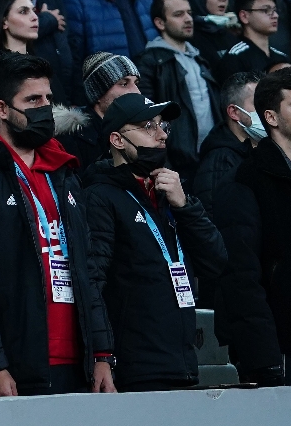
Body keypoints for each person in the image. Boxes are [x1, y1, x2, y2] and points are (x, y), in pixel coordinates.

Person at [0, 52, 117, 396]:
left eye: (48, 98)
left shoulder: (64, 173)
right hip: (12, 366)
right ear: (0, 109)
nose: (45, 108)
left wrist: (102, 353)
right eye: (32, 100)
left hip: (77, 366)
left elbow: (87, 269)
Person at [81, 92, 228, 391]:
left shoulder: (169, 192)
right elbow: (92, 282)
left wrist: (186, 206)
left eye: (163, 126)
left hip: (182, 360)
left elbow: (216, 261)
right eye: (149, 126)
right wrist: (102, 355)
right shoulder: (100, 197)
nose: (162, 135)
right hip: (134, 365)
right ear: (118, 140)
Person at [213, 68, 291, 385]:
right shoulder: (245, 181)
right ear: (272, 117)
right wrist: (263, 356)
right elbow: (241, 278)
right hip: (284, 351)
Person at [138, 0, 221, 180]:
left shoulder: (200, 59)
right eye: (178, 14)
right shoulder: (150, 62)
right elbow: (146, 118)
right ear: (160, 23)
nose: (188, 19)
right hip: (179, 164)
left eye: (189, 13)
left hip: (211, 158)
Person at [193, 72, 266, 211]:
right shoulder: (220, 162)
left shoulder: (261, 150)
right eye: (259, 103)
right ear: (234, 112)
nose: (268, 111)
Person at [219, 0, 291, 79]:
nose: (275, 16)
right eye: (266, 10)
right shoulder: (235, 57)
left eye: (275, 10)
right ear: (244, 16)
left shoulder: (281, 57)